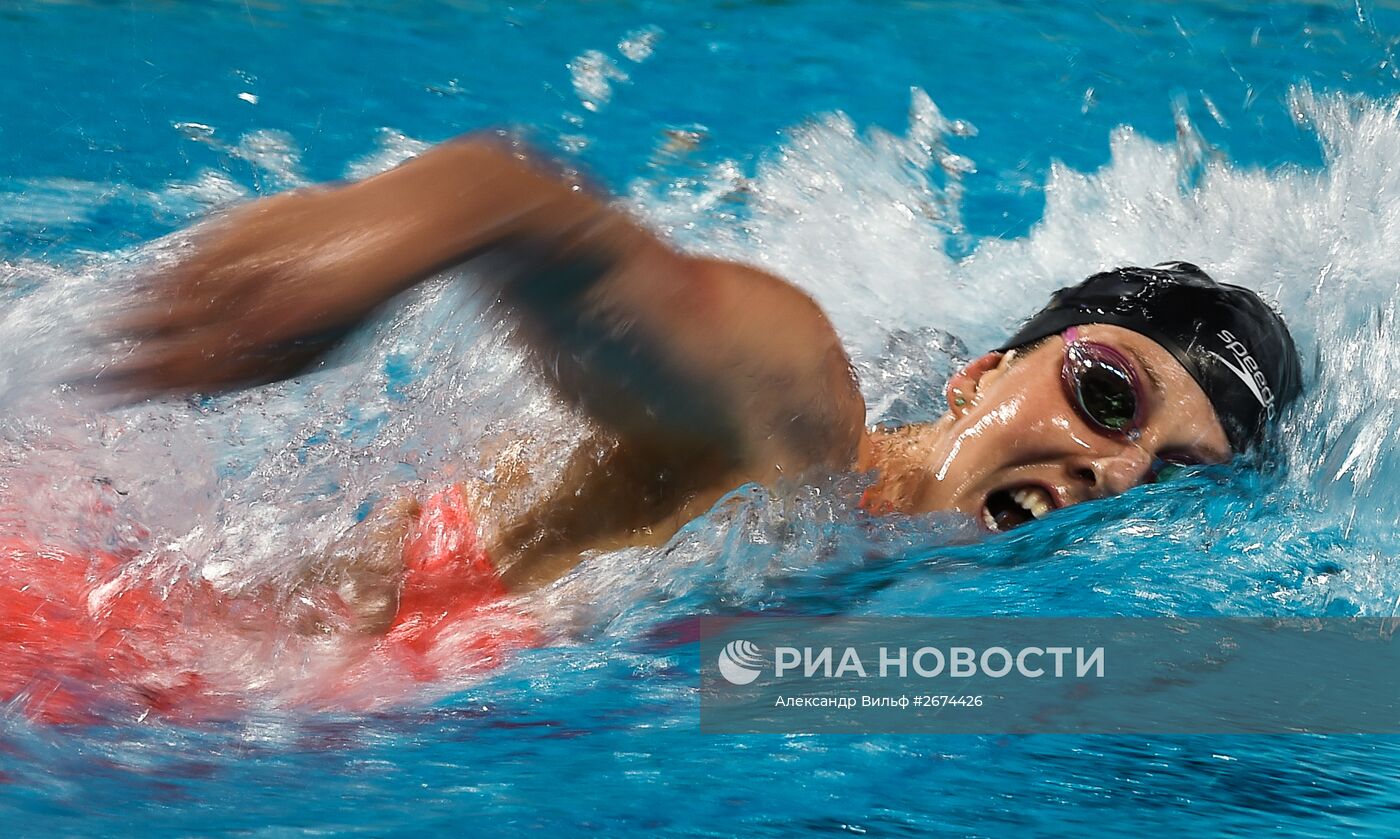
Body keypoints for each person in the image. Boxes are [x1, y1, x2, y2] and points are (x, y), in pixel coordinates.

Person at [102, 133, 1304, 632]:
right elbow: (511, 199)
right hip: (87, 664)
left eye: (1170, 479)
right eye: (1108, 394)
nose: (1116, 470)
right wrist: (372, 243)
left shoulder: (896, 587)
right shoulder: (791, 426)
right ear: (978, 373)